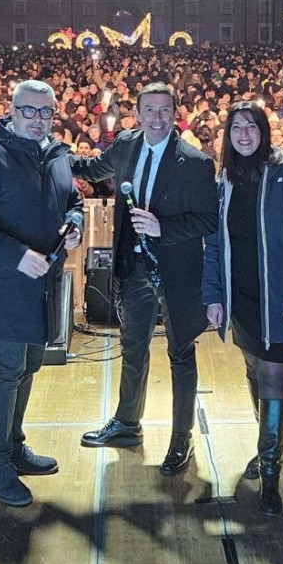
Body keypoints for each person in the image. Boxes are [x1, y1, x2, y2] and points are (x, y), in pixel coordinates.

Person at [72, 82, 218, 476]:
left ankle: (181, 436)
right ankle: (127, 423)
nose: (157, 117)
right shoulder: (124, 145)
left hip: (176, 274)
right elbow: (90, 169)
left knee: (180, 355)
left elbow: (208, 219)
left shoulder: (196, 162)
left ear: (176, 113)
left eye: (164, 109)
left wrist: (161, 228)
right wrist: (49, 151)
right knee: (132, 348)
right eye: (149, 109)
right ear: (136, 113)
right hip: (134, 269)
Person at [0, 80, 82, 507]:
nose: (37, 119)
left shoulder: (56, 155)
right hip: (3, 286)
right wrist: (16, 256)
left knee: (28, 367)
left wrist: (76, 224)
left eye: (46, 112)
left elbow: (73, 199)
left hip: (42, 284)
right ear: (11, 112)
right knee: (6, 372)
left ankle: (13, 447)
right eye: (29, 110)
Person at [201, 101, 283, 515]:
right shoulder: (225, 180)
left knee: (273, 377)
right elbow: (214, 243)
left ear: (264, 132)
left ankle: (271, 473)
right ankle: (267, 446)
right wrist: (214, 295)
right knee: (253, 370)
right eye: (236, 127)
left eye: (251, 126)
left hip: (279, 297)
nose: (244, 134)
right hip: (242, 298)